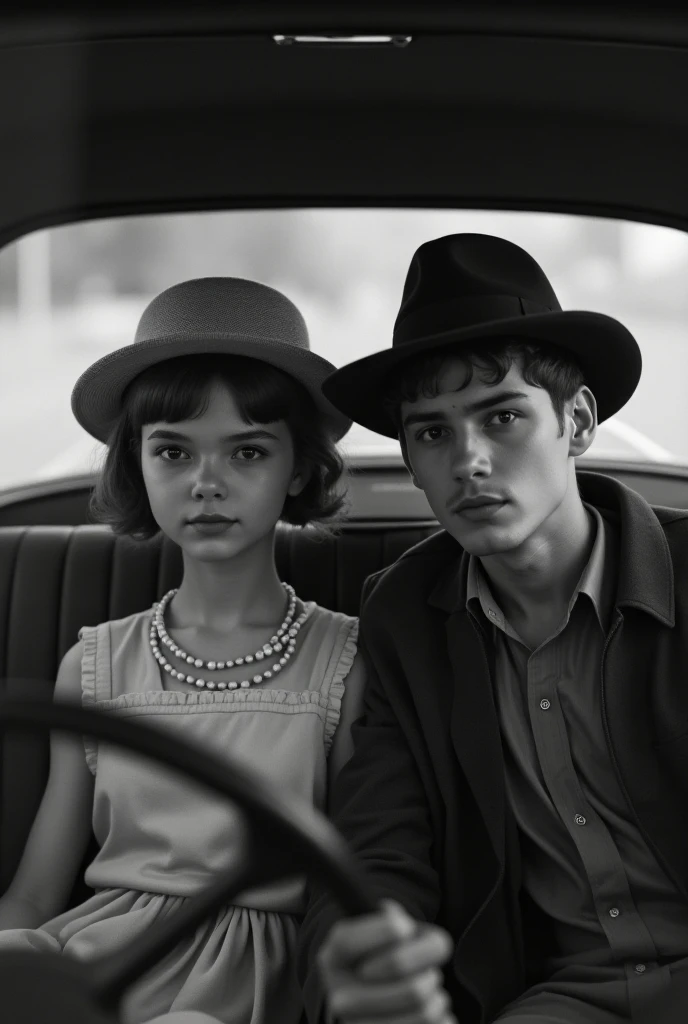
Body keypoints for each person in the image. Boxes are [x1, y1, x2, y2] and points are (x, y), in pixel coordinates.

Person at [297, 233, 688, 1024]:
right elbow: (380, 843)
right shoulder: (403, 615)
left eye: (502, 416)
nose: (468, 459)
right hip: (561, 999)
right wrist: (364, 960)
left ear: (576, 422)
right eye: (432, 433)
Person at [0, 276, 366, 1024]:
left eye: (247, 453)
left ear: (297, 468)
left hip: (258, 987)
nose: (206, 484)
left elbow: (357, 882)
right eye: (173, 451)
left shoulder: (345, 661)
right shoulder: (95, 664)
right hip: (99, 962)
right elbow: (36, 894)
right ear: (137, 464)